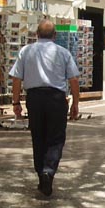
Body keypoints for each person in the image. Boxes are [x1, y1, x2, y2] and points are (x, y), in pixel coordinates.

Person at [9, 19, 80, 197]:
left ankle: (42, 174)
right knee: (56, 138)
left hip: (34, 99)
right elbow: (74, 80)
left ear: (36, 35)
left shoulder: (25, 51)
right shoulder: (63, 52)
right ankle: (48, 170)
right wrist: (76, 104)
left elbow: (16, 79)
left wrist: (16, 102)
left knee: (38, 136)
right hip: (56, 99)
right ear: (55, 36)